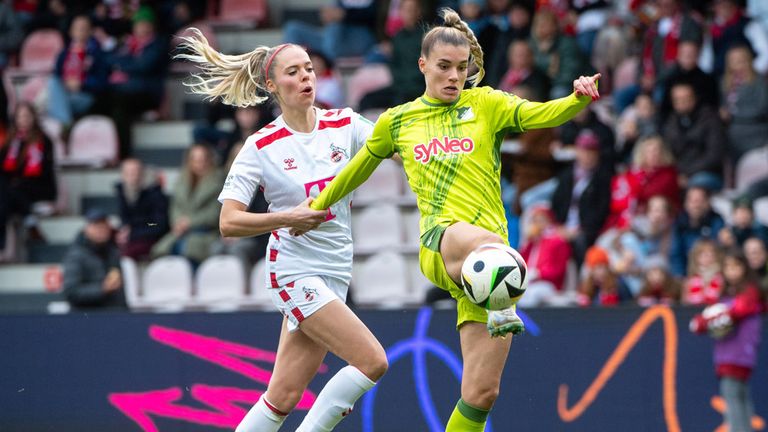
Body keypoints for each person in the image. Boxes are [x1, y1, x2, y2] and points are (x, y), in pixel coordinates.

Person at [302, 9, 601, 431]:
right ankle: (499, 299)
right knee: (499, 255)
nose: (453, 76)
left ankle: (495, 301)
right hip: (442, 245)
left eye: (461, 68)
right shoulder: (398, 120)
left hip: (488, 272)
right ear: (423, 65)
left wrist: (576, 100)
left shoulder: (486, 104)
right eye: (444, 67)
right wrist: (320, 205)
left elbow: (540, 115)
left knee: (481, 394)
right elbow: (357, 169)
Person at [176, 29, 387, 432]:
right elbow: (229, 222)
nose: (306, 77)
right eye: (293, 72)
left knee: (283, 397)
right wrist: (289, 217)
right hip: (293, 269)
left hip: (335, 269)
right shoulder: (261, 145)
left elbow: (395, 140)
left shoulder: (345, 124)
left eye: (309, 69)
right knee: (372, 360)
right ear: (272, 85)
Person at [690, 250, 764, 432]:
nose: (731, 271)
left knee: (733, 399)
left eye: (735, 266)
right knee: (738, 397)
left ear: (744, 268)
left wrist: (702, 323)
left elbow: (735, 313)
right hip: (727, 354)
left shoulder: (749, 292)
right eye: (727, 267)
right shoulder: (727, 293)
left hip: (739, 355)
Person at [150, 144, 222, 267]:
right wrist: (178, 223)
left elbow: (215, 214)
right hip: (180, 232)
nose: (200, 163)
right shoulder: (181, 182)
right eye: (195, 159)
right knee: (162, 252)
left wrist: (189, 222)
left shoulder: (219, 181)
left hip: (206, 234)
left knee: (188, 250)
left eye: (203, 159)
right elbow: (175, 207)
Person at [0, 102, 57, 252]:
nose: (23, 119)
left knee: (9, 194)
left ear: (33, 118)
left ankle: (2, 245)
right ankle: (30, 223)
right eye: (20, 116)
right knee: (7, 195)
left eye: (26, 116)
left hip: (39, 186)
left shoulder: (44, 140)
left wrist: (18, 181)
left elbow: (45, 172)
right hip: (14, 190)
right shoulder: (10, 141)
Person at [46, 14, 109, 129]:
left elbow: (102, 83)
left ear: (90, 32)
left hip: (84, 96)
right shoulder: (64, 54)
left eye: (84, 28)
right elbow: (57, 76)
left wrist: (82, 83)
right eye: (77, 28)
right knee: (52, 82)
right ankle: (67, 126)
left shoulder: (97, 53)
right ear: (71, 32)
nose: (80, 31)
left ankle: (64, 129)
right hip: (65, 94)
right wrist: (66, 83)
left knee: (52, 104)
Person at [62, 208, 126, 309]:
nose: (101, 230)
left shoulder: (113, 253)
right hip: (87, 317)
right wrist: (102, 289)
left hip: (114, 315)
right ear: (86, 229)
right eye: (96, 225)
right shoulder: (76, 255)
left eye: (104, 226)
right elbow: (71, 292)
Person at [114, 158, 169, 261]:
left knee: (126, 254)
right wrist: (125, 230)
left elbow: (157, 224)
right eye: (127, 172)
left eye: (134, 171)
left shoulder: (155, 194)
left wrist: (134, 231)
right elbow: (125, 219)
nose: (131, 175)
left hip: (152, 236)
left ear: (142, 172)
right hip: (134, 235)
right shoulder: (122, 191)